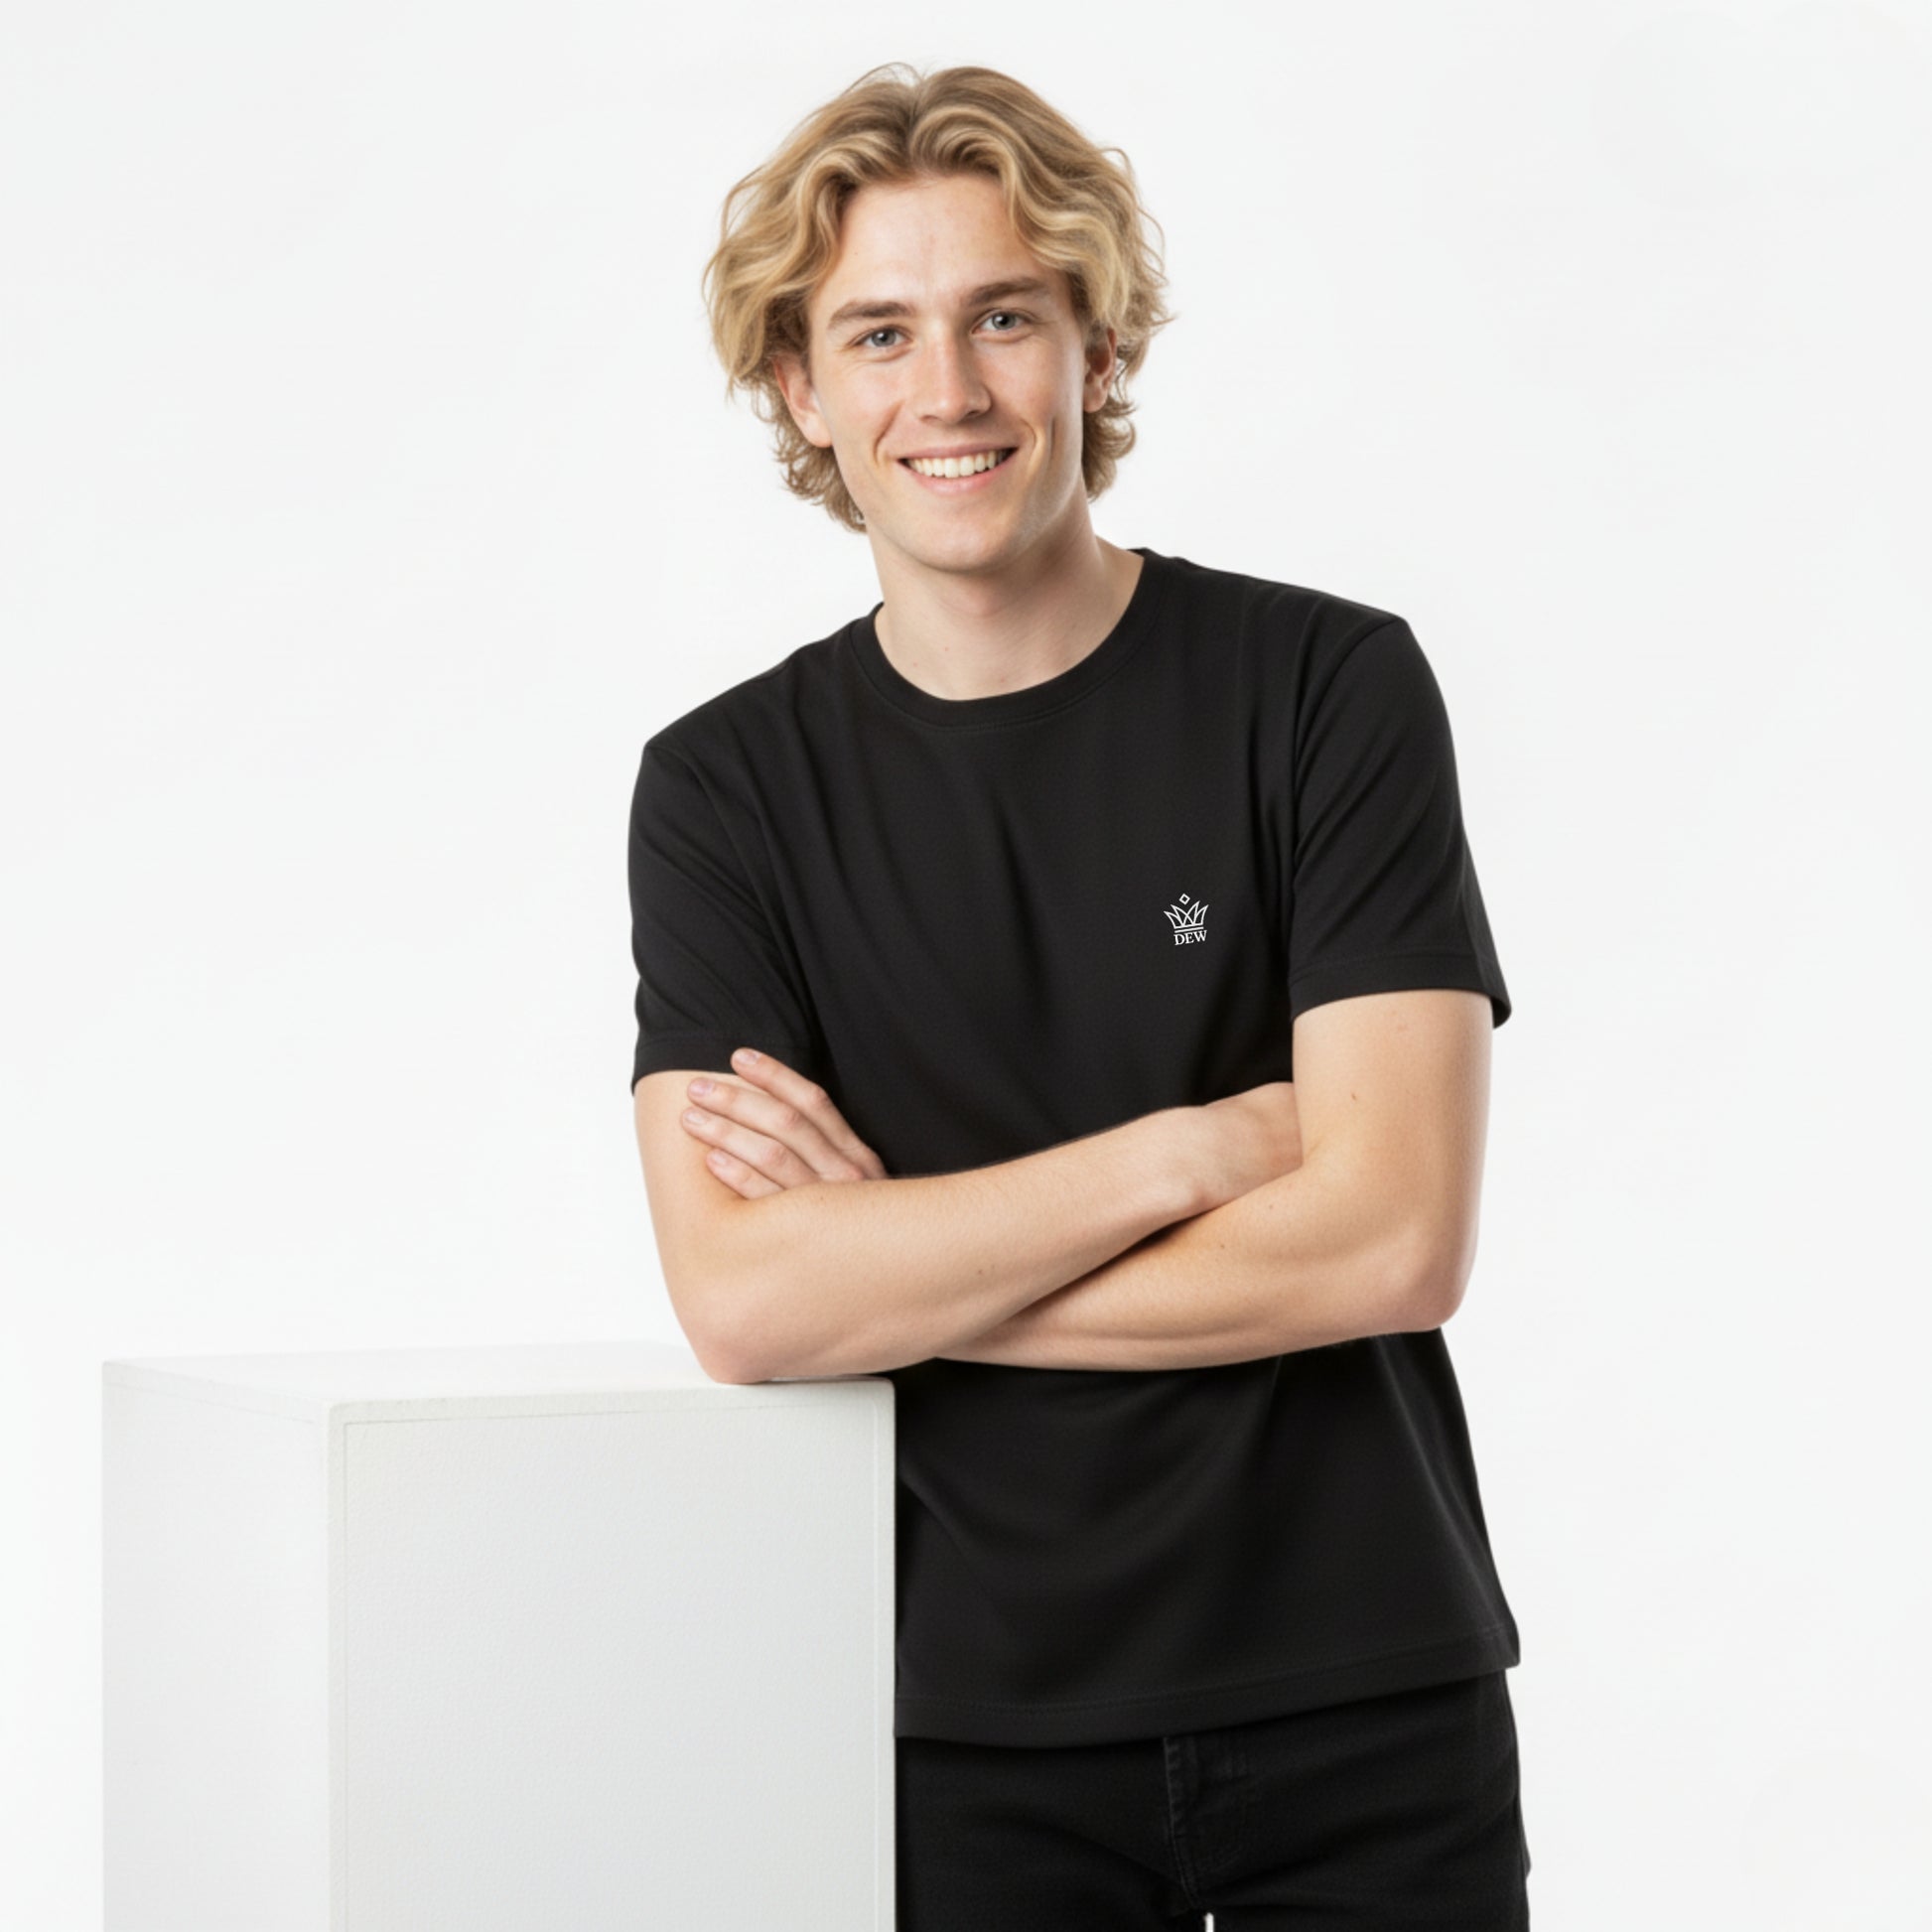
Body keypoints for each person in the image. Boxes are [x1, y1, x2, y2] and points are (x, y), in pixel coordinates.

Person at [627, 61, 1531, 1930]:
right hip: (962, 1736)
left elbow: (1387, 1240)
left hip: (1365, 1691)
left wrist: (896, 1267)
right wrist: (1192, 1150)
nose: (944, 392)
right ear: (799, 387)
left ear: (1097, 352)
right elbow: (746, 1299)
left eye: (1003, 318)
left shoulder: (1326, 689)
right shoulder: (722, 790)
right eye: (876, 333)